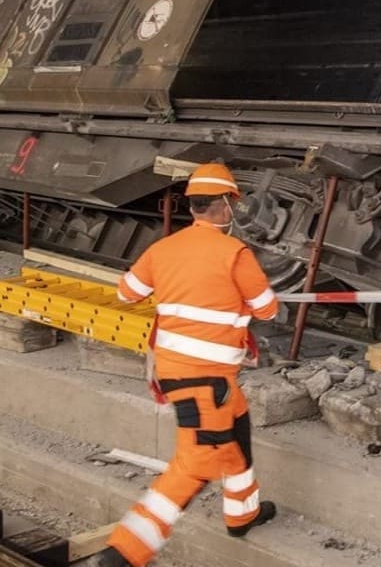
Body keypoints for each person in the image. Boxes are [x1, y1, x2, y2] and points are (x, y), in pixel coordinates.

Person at [97, 163, 279, 567]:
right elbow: (268, 310)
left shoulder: (163, 249)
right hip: (206, 380)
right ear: (225, 205)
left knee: (238, 432)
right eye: (234, 202)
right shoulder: (235, 254)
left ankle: (242, 512)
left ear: (194, 205)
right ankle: (125, 550)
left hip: (186, 375)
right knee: (195, 465)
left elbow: (127, 293)